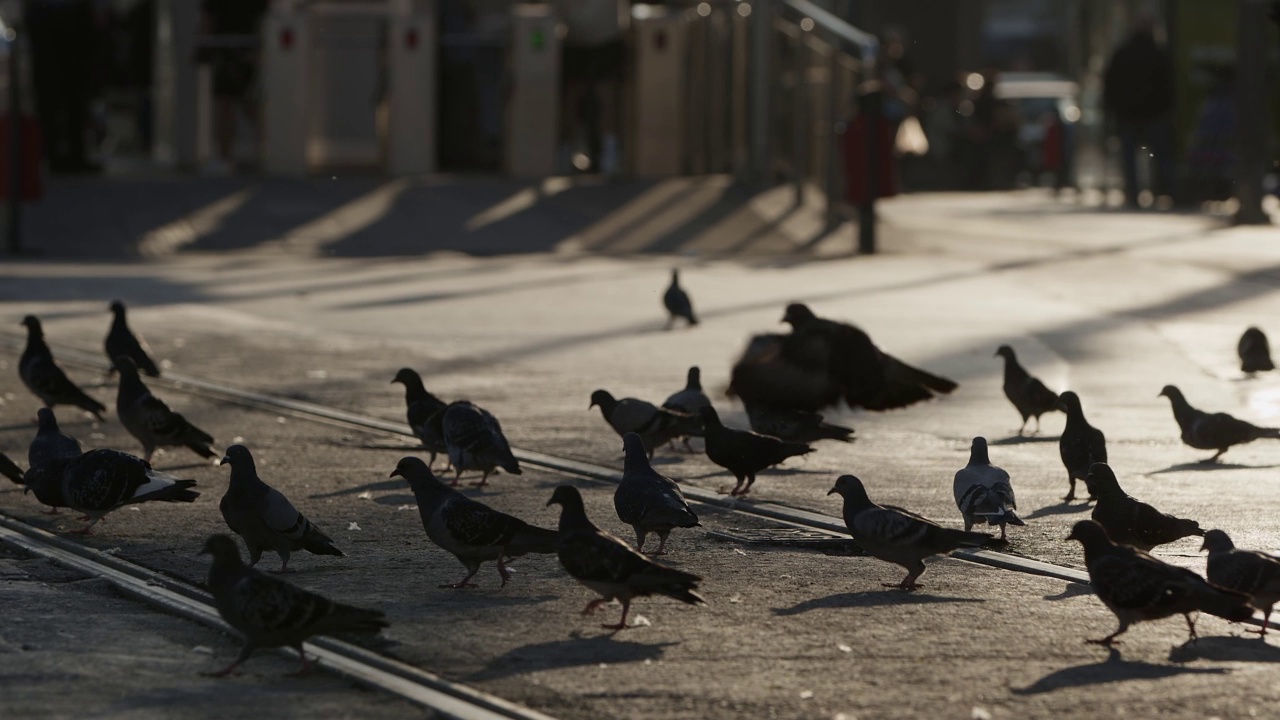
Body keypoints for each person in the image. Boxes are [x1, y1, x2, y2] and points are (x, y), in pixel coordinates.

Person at [1103, 11, 1175, 208]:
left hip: (1128, 115)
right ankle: (1164, 192)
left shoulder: (1123, 52)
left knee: (1130, 159)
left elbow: (1110, 84)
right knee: (1160, 157)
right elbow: (1167, 85)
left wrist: (1112, 110)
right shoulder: (1158, 53)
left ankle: (1134, 195)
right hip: (1154, 114)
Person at [551, 0, 628, 175]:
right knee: (596, 95)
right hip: (594, 36)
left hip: (587, 36)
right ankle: (607, 154)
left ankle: (569, 152)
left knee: (584, 96)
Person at [24, 0, 99, 173]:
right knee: (51, 90)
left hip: (65, 13)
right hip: (48, 13)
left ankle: (70, 153)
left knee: (73, 89)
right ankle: (54, 153)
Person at [197, 0, 268, 173]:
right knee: (245, 103)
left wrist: (202, 46)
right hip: (244, 49)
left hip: (228, 50)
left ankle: (226, 156)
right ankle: (265, 150)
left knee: (230, 104)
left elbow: (208, 19)